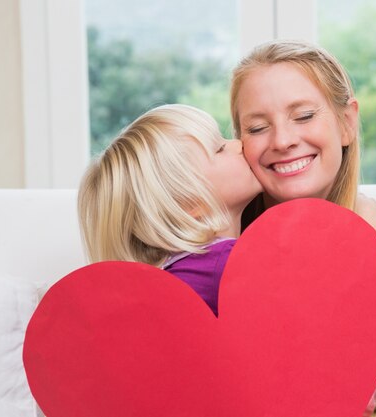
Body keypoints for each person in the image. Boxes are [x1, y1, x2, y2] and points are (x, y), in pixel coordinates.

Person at [230, 40, 376, 416]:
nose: (283, 140)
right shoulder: (219, 262)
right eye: (257, 127)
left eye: (304, 116)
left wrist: (363, 245)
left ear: (347, 123)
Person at [77, 104, 262, 316]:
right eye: (219, 149)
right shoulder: (230, 263)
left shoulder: (173, 273)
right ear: (191, 202)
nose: (238, 144)